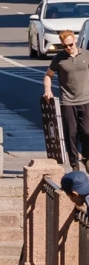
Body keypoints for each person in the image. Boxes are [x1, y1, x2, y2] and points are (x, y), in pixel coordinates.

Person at [45, 30, 89, 169]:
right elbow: (48, 75)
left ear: (75, 41)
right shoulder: (59, 58)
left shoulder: (86, 55)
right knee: (71, 134)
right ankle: (74, 165)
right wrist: (48, 90)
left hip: (86, 100)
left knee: (87, 132)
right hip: (68, 102)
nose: (68, 48)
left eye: (70, 44)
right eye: (65, 46)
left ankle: (87, 157)